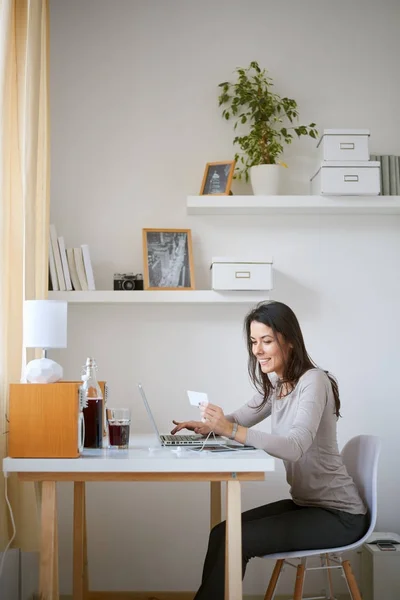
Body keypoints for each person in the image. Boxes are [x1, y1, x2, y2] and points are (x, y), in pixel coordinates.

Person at [171, 301, 368, 599]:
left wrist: (230, 430)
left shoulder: (313, 381)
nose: (258, 350)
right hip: (309, 505)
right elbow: (237, 420)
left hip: (339, 516)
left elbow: (295, 447)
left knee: (238, 539)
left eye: (266, 341)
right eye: (253, 342)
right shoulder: (278, 386)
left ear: (289, 341)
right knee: (222, 533)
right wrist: (210, 426)